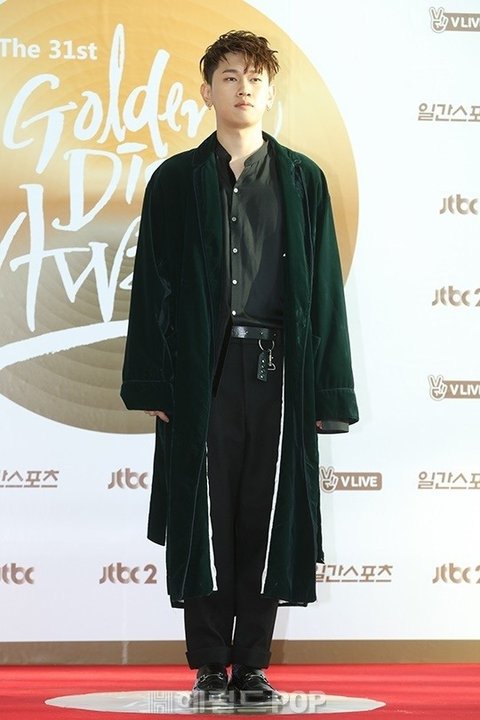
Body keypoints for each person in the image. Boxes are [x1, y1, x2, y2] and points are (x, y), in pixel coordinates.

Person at [121, 30, 359, 705]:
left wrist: (326, 390)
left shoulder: (303, 180)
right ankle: (207, 663)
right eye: (229, 77)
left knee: (266, 515)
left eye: (255, 77)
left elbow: (323, 291)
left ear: (270, 92)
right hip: (202, 374)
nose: (243, 88)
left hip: (277, 370)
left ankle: (252, 662)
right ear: (207, 92)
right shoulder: (175, 180)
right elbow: (154, 284)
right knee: (204, 518)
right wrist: (154, 380)